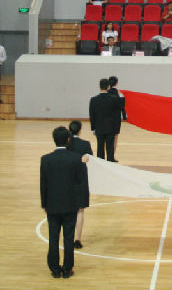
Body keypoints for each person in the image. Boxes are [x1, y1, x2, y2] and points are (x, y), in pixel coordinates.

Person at [40, 127, 86, 279]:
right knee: (68, 237)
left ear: (54, 139)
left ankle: (54, 269)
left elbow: (43, 184)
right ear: (68, 140)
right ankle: (67, 268)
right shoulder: (76, 158)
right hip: (70, 204)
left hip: (52, 204)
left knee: (53, 237)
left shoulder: (46, 159)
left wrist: (44, 203)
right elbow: (80, 182)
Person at [67, 121, 92, 250]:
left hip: (67, 179)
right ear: (80, 130)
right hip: (80, 179)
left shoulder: (65, 144)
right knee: (80, 210)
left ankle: (68, 237)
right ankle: (77, 239)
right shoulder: (85, 144)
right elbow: (90, 159)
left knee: (68, 211)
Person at [88, 79, 123, 162]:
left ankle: (101, 164)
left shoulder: (93, 99)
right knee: (110, 147)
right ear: (108, 87)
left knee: (100, 147)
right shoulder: (114, 99)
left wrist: (93, 128)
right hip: (110, 127)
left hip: (99, 127)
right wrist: (121, 96)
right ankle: (110, 163)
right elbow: (119, 109)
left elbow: (92, 115)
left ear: (99, 87)